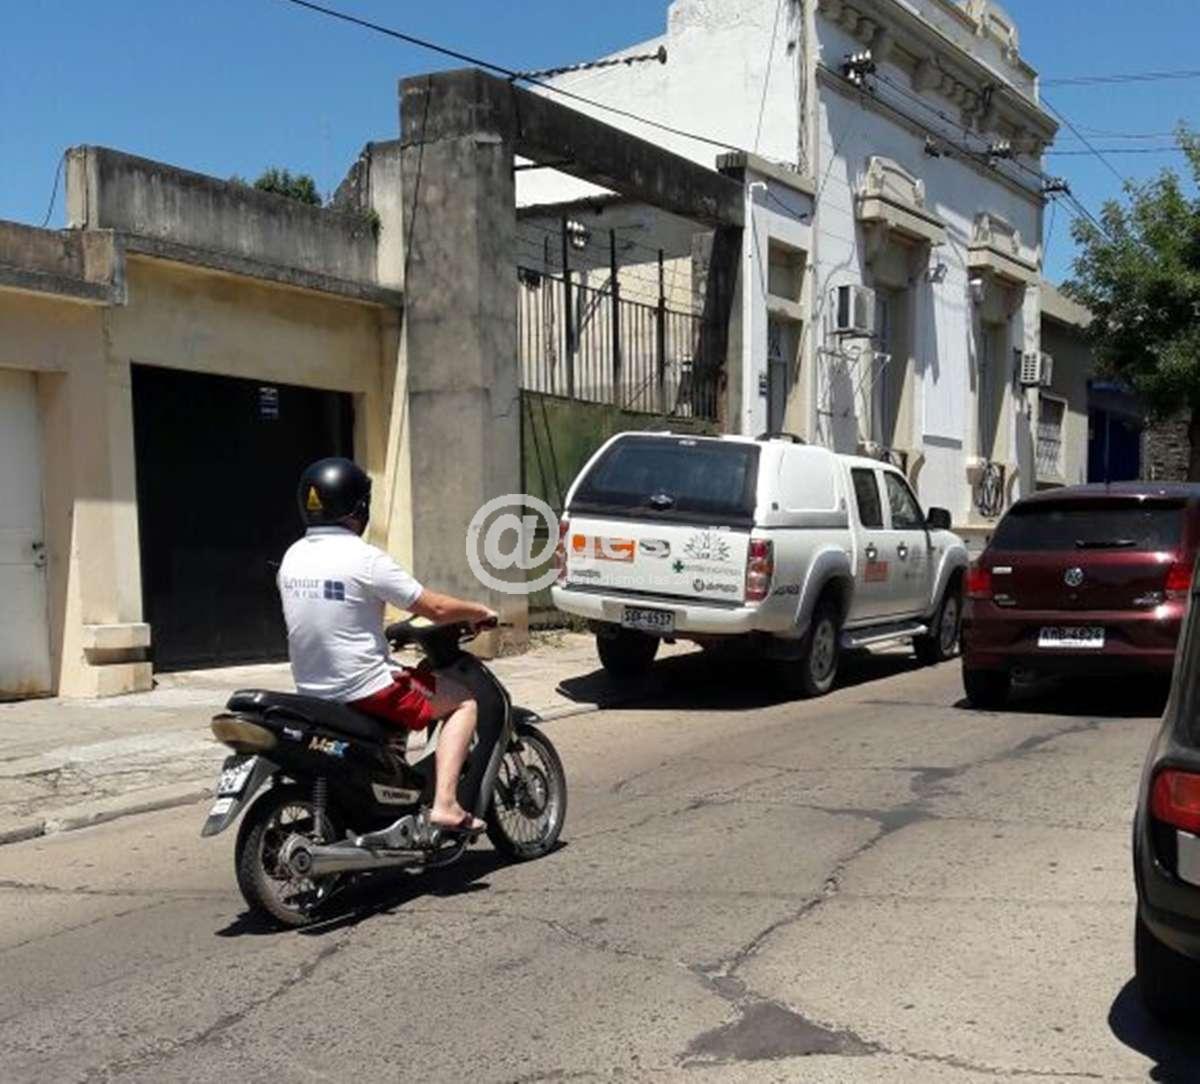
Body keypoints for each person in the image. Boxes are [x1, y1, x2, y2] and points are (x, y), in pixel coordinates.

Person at [277, 457, 497, 833]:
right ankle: (446, 804)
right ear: (359, 507)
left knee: (410, 689)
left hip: (314, 690)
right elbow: (435, 608)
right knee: (462, 702)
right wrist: (478, 611)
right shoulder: (364, 558)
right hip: (367, 687)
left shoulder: (293, 556)